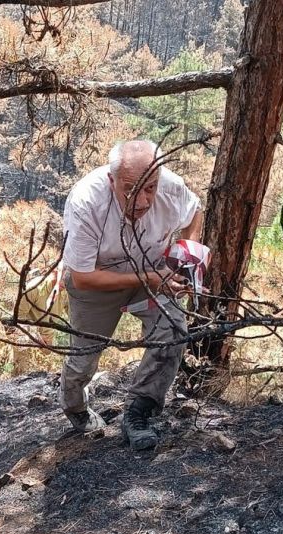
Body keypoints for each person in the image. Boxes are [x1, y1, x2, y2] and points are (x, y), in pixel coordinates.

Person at [59, 140, 204, 450]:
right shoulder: (87, 201)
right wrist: (151, 276)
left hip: (151, 270)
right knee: (84, 357)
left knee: (172, 330)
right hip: (97, 279)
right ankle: (75, 406)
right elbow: (83, 278)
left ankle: (139, 411)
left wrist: (186, 254)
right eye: (130, 189)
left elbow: (194, 214)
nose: (142, 200)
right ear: (112, 180)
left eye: (150, 188)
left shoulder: (172, 188)